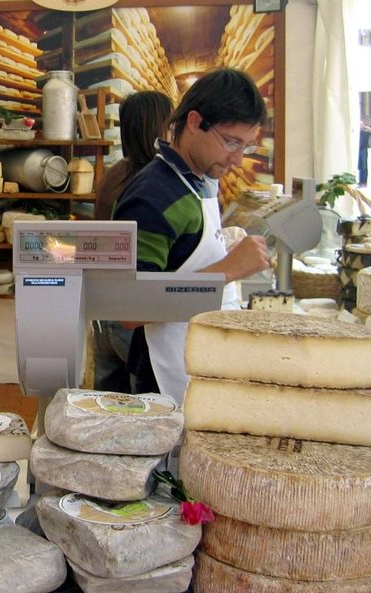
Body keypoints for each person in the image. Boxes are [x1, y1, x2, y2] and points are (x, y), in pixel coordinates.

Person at [112, 68, 270, 403]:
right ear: (196, 122)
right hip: (165, 379)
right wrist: (229, 269)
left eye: (247, 146)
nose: (238, 159)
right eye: (231, 142)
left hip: (198, 361)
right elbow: (130, 308)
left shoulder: (197, 180)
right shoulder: (152, 196)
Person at [92, 90, 173, 393]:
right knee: (143, 414)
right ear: (160, 127)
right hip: (134, 319)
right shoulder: (153, 184)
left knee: (108, 412)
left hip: (103, 312)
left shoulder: (114, 175)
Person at [357, 121, 371, 187]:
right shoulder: (357, 133)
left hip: (364, 149)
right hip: (358, 149)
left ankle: (364, 181)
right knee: (360, 166)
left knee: (364, 166)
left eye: (361, 125)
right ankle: (360, 181)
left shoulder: (366, 132)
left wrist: (365, 127)